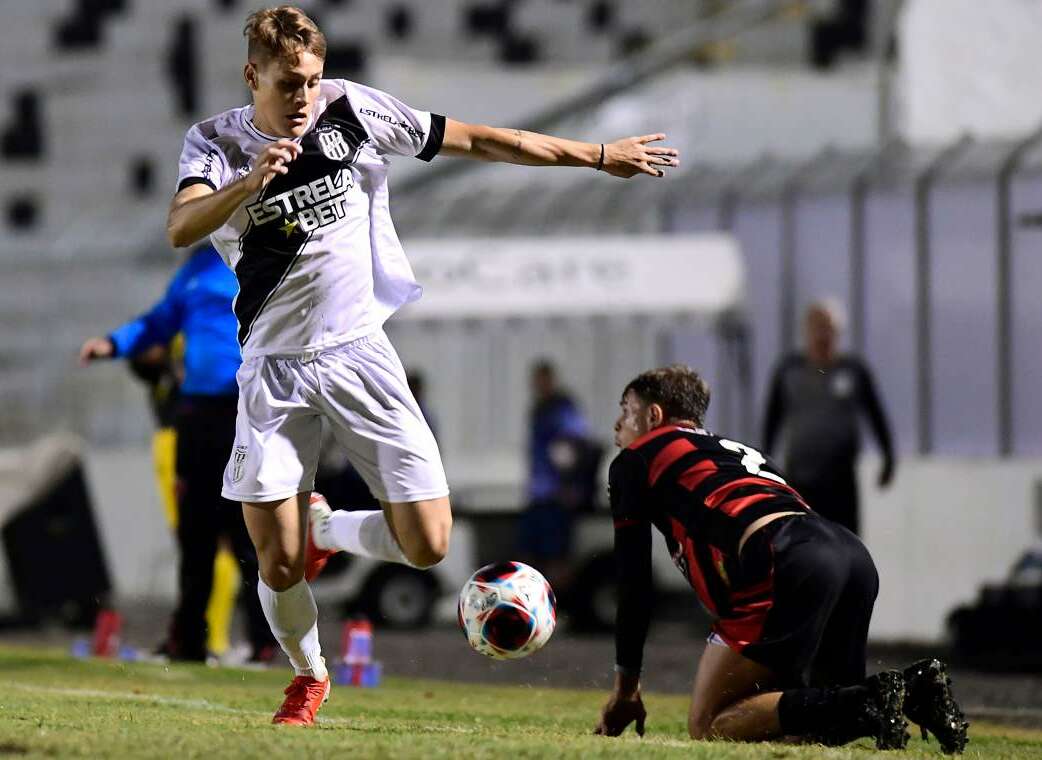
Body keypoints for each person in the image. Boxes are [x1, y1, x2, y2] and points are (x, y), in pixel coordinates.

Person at [164, 5, 680, 725]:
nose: (304, 97)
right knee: (275, 566)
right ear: (254, 75)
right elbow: (181, 225)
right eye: (288, 84)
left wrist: (595, 155)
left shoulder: (356, 110)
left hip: (360, 356)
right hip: (273, 370)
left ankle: (330, 530)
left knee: (429, 544)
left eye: (311, 80)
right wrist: (247, 184)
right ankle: (309, 676)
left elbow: (480, 139)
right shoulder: (215, 142)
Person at [595, 365, 967, 753]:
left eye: (626, 410)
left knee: (709, 723)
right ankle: (913, 690)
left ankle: (871, 698)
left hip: (782, 558)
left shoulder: (635, 460)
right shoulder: (742, 452)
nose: (618, 425)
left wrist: (626, 689)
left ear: (653, 415)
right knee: (816, 726)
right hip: (849, 555)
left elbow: (634, 581)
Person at [79, 244, 276, 663]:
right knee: (195, 535)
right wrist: (113, 344)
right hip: (198, 414)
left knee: (247, 534)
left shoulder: (265, 250)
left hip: (246, 408)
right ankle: (190, 642)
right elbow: (160, 321)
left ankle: (265, 642)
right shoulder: (196, 269)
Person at [762, 299, 894, 535]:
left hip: (841, 482)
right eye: (816, 327)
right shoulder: (788, 371)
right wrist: (763, 466)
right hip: (801, 480)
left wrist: (888, 458)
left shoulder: (853, 371)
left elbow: (876, 416)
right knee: (802, 542)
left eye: (827, 328)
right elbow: (771, 423)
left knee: (844, 542)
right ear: (806, 331)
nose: (822, 335)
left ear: (838, 332)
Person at [519, 360, 597, 584]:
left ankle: (559, 601)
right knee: (532, 552)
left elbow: (573, 447)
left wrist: (571, 484)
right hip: (539, 493)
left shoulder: (561, 409)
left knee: (557, 555)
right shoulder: (540, 408)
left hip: (556, 493)